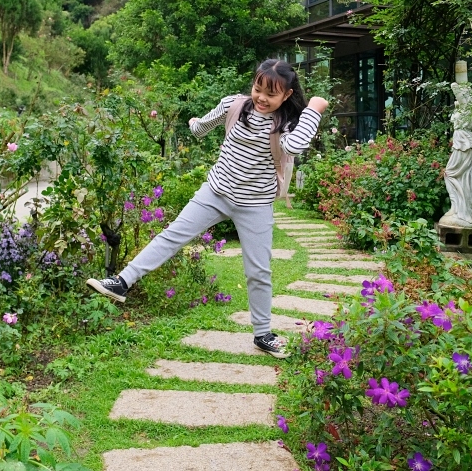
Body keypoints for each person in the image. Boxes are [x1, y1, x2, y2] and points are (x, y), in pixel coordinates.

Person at [87, 59, 328, 358]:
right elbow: (202, 128)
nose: (262, 98)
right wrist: (194, 124)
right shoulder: (234, 105)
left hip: (255, 204)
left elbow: (294, 147)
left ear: (287, 96)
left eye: (272, 94)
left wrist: (314, 109)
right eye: (258, 89)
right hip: (215, 191)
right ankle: (122, 282)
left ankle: (263, 334)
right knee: (172, 235)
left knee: (259, 271)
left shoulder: (288, 123)